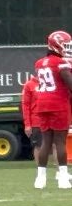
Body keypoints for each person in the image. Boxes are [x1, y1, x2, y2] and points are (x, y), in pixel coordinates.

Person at [33, 31, 72, 189]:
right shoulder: (60, 63)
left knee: (46, 142)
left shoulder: (39, 63)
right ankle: (63, 177)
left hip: (42, 103)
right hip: (58, 104)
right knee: (60, 141)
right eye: (65, 45)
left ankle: (40, 178)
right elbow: (69, 82)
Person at [21, 74, 41, 162]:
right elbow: (25, 105)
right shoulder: (29, 85)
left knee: (55, 145)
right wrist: (27, 124)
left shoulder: (50, 83)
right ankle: (41, 171)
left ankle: (60, 171)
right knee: (38, 146)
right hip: (36, 121)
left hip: (51, 120)